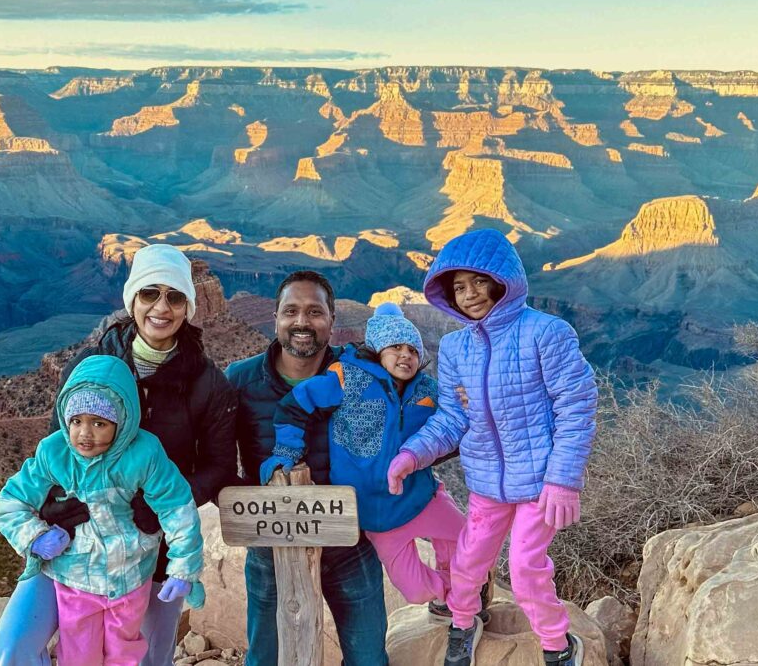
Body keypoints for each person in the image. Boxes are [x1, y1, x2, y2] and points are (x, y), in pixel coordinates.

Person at [0, 244, 238, 666]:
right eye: (149, 293)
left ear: (189, 306)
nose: (161, 308)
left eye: (175, 297)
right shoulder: (91, 364)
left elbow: (219, 469)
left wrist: (161, 509)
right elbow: (56, 449)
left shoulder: (208, 384)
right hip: (72, 548)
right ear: (132, 298)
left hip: (150, 555)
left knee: (146, 659)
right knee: (10, 649)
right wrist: (51, 509)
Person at [388, 228, 598, 666]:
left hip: (540, 482)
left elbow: (576, 406)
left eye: (479, 281)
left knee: (524, 568)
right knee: (468, 560)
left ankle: (558, 645)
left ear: (503, 280)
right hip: (486, 482)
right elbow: (452, 418)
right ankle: (464, 621)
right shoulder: (455, 347)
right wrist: (411, 455)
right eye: (458, 287)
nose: (469, 295)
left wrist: (564, 479)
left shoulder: (546, 332)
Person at [259, 302, 469, 622]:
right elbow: (296, 403)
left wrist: (468, 406)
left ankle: (462, 601)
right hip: (376, 514)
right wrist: (286, 451)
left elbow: (452, 427)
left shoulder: (428, 391)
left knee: (469, 544)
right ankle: (451, 594)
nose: (405, 355)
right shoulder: (348, 377)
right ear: (377, 350)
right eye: (395, 347)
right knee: (415, 591)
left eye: (413, 350)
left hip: (422, 496)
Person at [0, 354, 206, 665]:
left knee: (124, 652)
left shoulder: (144, 453)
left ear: (122, 421)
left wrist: (183, 567)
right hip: (75, 574)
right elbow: (10, 501)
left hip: (129, 575)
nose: (85, 433)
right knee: (78, 653)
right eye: (76, 421)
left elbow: (178, 509)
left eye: (99, 423)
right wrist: (35, 537)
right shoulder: (55, 453)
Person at [229, 270, 389, 666]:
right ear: (275, 319)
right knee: (265, 657)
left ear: (332, 320)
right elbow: (214, 455)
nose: (302, 321)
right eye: (291, 311)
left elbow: (409, 425)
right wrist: (245, 509)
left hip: (350, 544)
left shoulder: (361, 378)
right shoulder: (240, 380)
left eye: (315, 312)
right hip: (270, 544)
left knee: (369, 658)